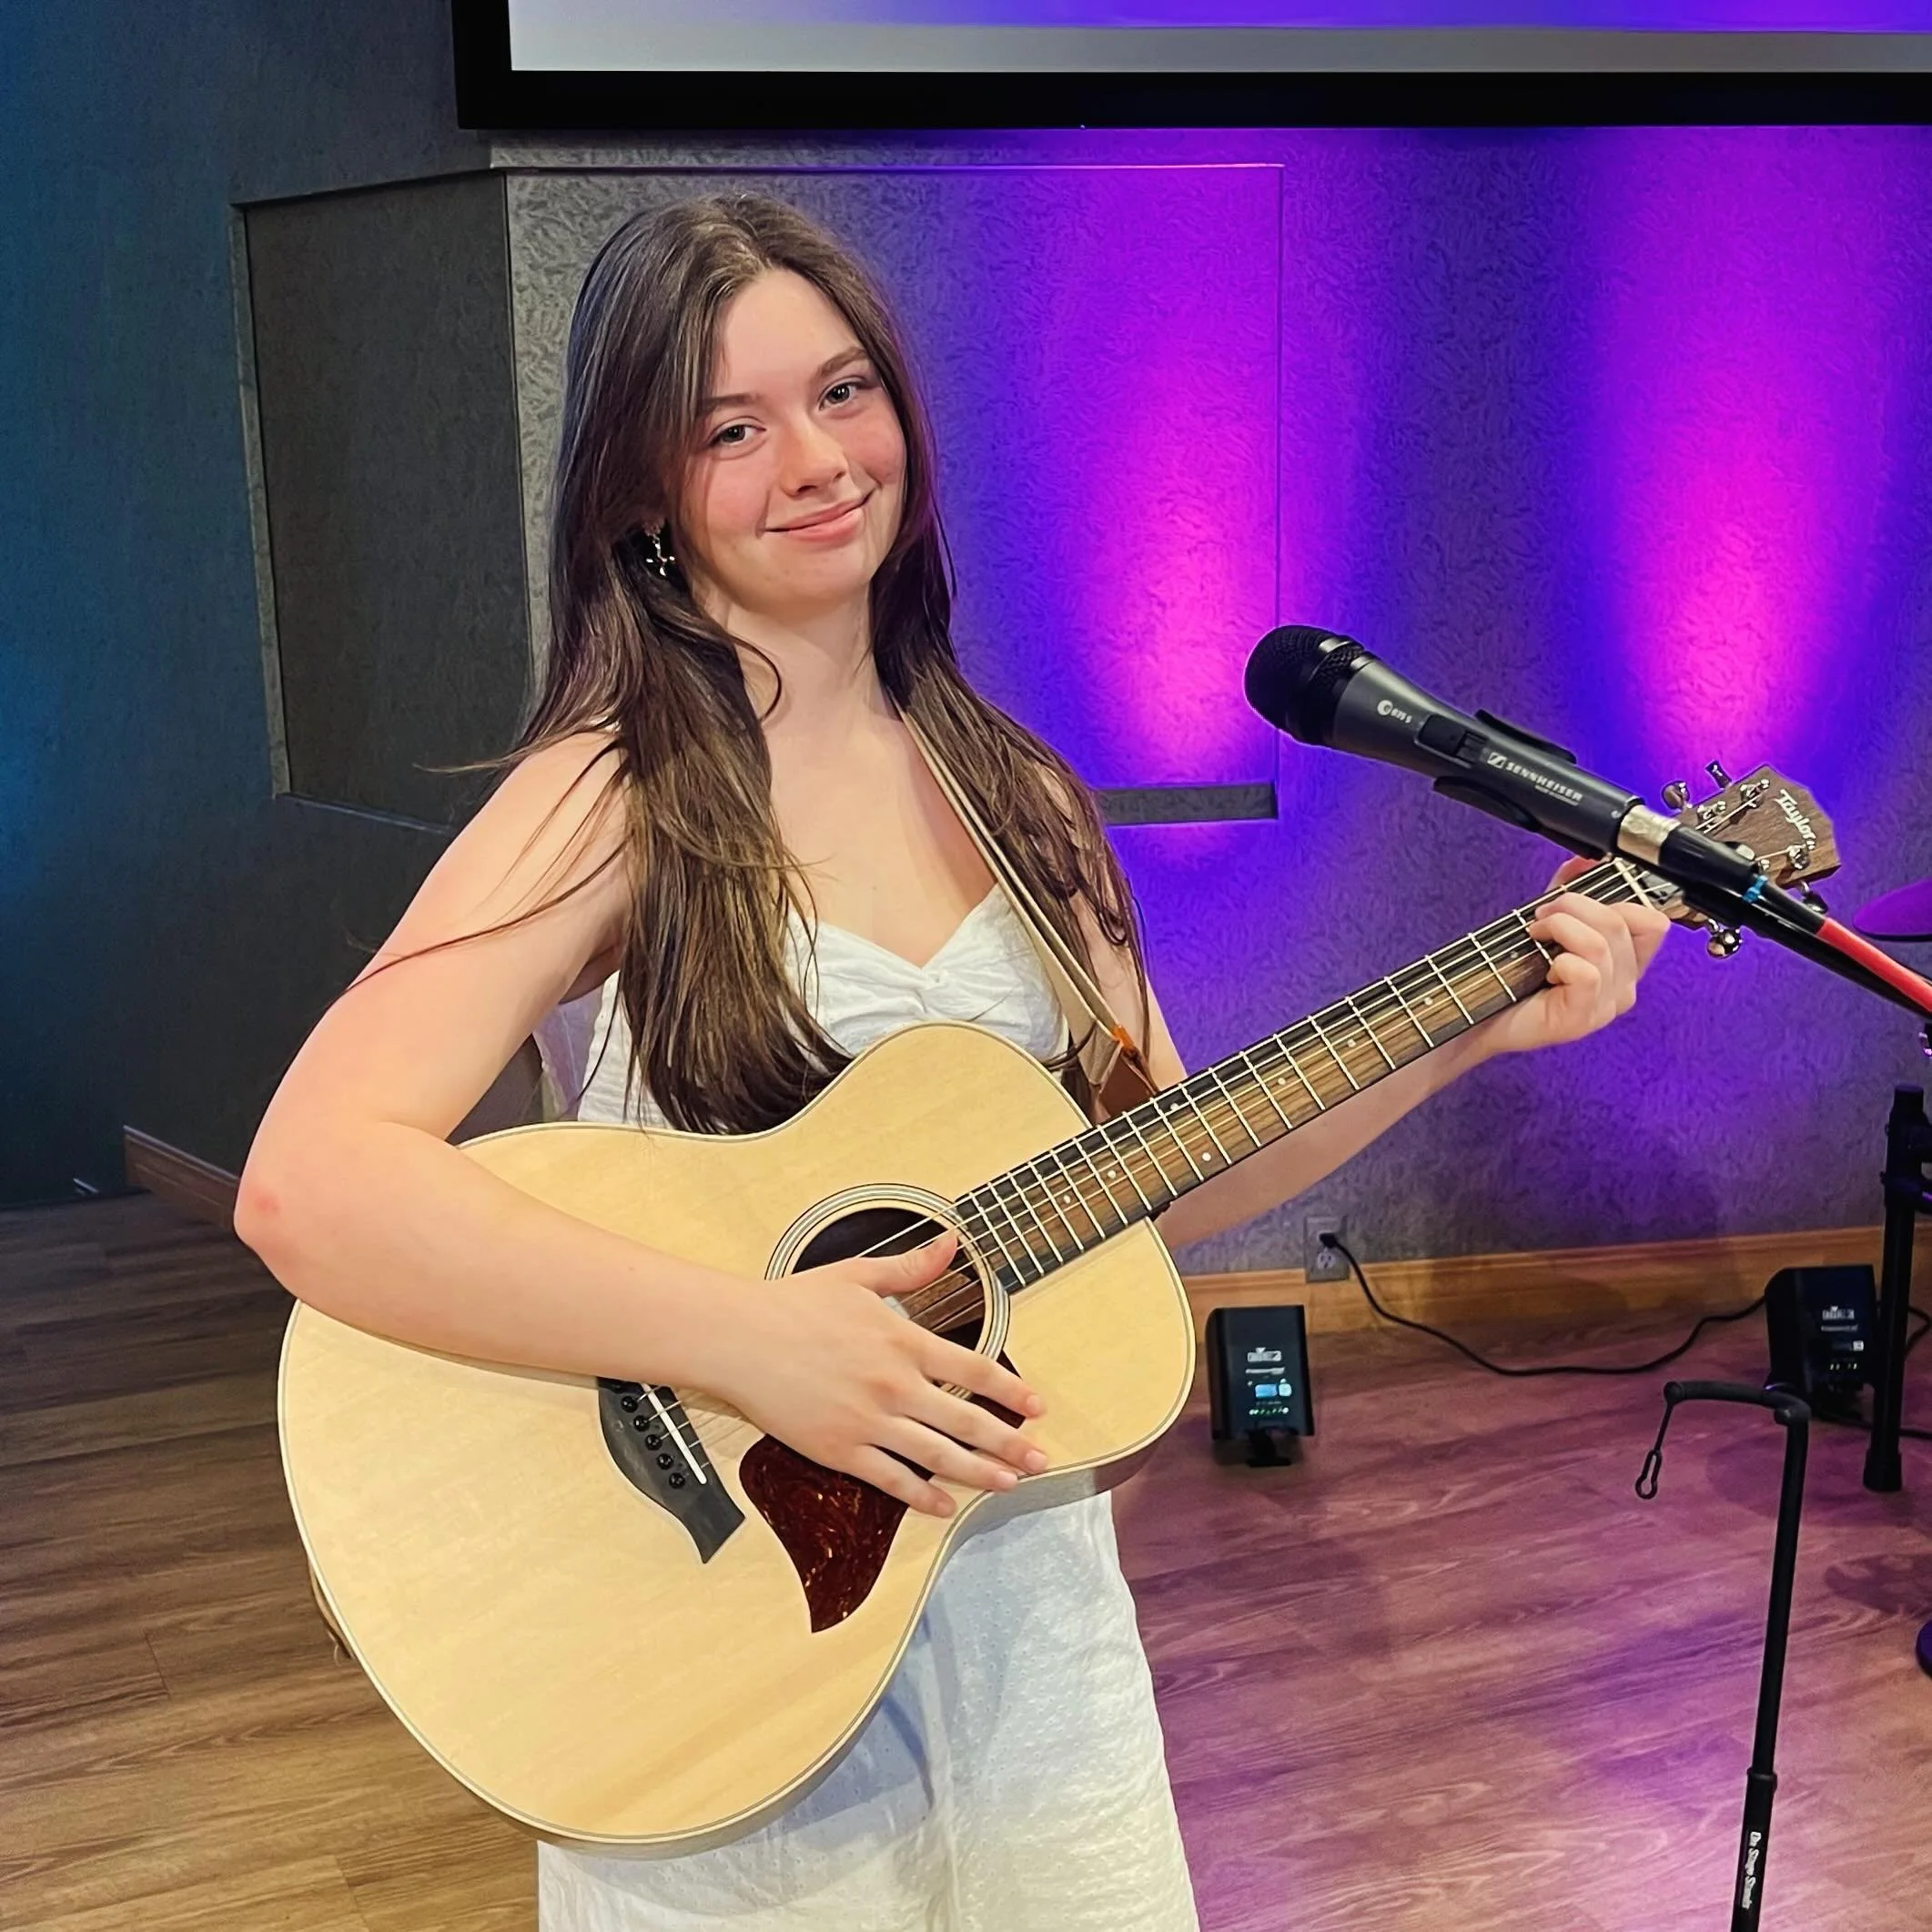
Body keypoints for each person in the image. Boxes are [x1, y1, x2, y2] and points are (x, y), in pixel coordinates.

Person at [235, 192, 1670, 1932]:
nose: (818, 460)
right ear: (639, 491)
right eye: (731, 427)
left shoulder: (1019, 787)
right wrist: (764, 1336)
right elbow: (312, 1177)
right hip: (719, 1612)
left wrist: (1481, 1024)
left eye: (845, 392)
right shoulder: (611, 793)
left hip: (1022, 1615)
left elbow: (1162, 1164)